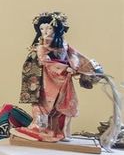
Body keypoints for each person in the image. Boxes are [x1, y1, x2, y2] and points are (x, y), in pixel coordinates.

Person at [16, 12, 101, 141]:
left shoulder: (64, 45)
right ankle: (40, 130)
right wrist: (65, 68)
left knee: (60, 106)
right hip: (47, 79)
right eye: (42, 28)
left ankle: (58, 131)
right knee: (44, 105)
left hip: (63, 79)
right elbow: (45, 61)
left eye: (49, 28)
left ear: (56, 29)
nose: (45, 31)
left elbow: (75, 56)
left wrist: (89, 68)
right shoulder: (41, 47)